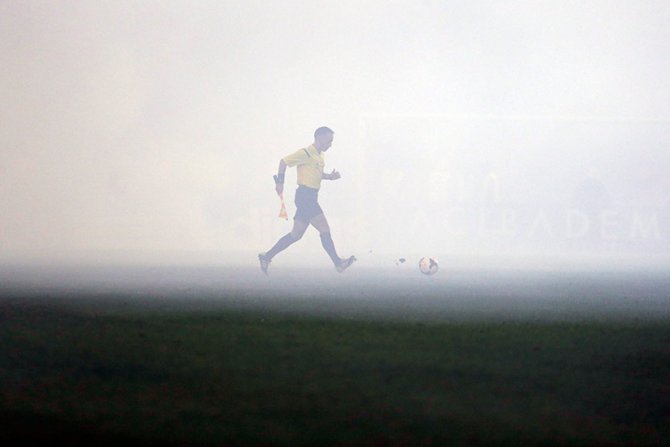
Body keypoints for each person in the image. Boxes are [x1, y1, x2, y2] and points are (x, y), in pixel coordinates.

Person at [259, 127, 356, 274]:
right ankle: (338, 263)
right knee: (324, 228)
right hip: (305, 196)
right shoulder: (305, 153)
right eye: (329, 140)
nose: (330, 144)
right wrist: (280, 182)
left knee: (296, 235)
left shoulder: (319, 156)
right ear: (320, 137)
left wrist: (329, 176)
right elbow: (283, 162)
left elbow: (316, 173)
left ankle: (266, 257)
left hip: (310, 196)